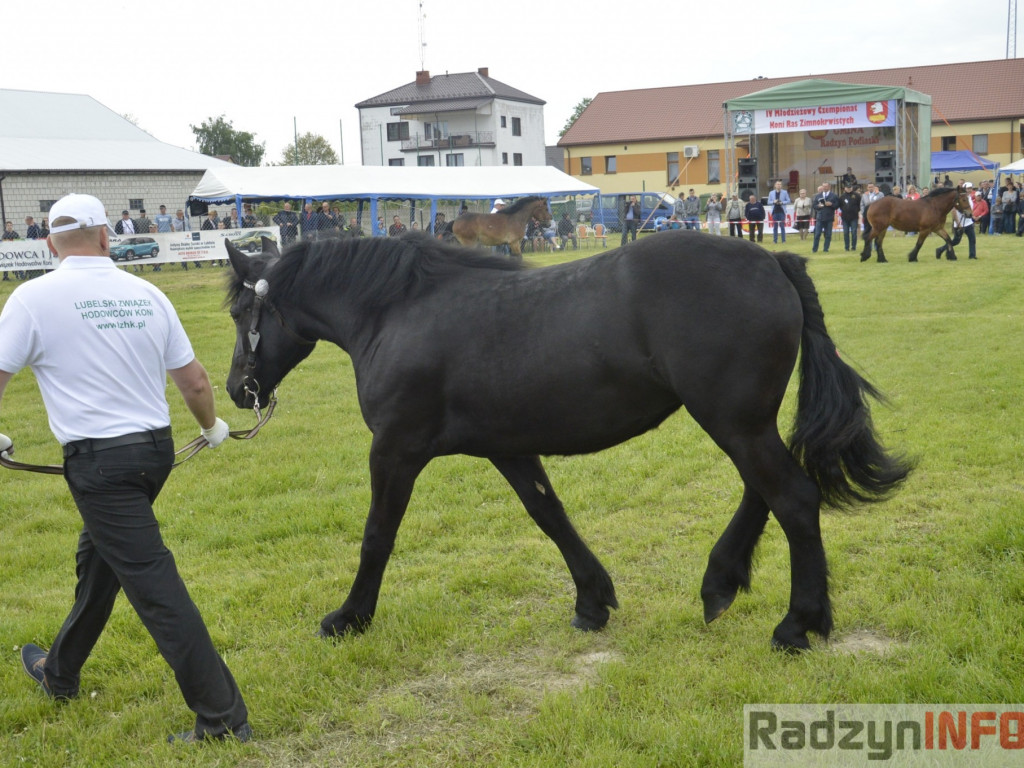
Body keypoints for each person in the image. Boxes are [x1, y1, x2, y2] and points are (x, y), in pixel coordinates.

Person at [0, 193, 250, 745]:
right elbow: (195, 382)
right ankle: (59, 674)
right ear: (106, 237)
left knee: (154, 588)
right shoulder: (147, 292)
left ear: (49, 244)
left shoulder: (32, 298)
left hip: (99, 465)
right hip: (153, 455)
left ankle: (222, 718)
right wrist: (211, 428)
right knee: (100, 565)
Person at [859, 183, 884, 259]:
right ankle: (868, 247)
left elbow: (884, 204)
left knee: (877, 232)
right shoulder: (864, 195)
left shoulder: (880, 194)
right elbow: (862, 205)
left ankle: (877, 247)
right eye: (869, 187)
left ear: (874, 187)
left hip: (878, 217)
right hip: (867, 216)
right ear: (867, 188)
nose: (870, 188)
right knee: (868, 231)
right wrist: (864, 213)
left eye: (872, 187)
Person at [812, 182, 837, 253]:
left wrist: (831, 204)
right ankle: (814, 249)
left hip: (829, 218)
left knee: (828, 235)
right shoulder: (818, 196)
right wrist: (818, 206)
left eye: (826, 186)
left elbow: (837, 205)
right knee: (817, 234)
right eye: (823, 186)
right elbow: (814, 205)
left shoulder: (833, 195)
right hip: (820, 217)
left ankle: (826, 249)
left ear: (829, 187)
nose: (824, 188)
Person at [838, 184, 861, 252]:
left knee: (854, 232)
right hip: (845, 218)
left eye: (850, 188)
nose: (848, 189)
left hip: (854, 217)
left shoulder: (856, 195)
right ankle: (846, 247)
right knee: (846, 233)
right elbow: (840, 206)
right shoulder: (842, 196)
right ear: (845, 188)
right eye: (847, 188)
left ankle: (853, 247)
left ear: (852, 188)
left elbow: (859, 205)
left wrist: (855, 210)